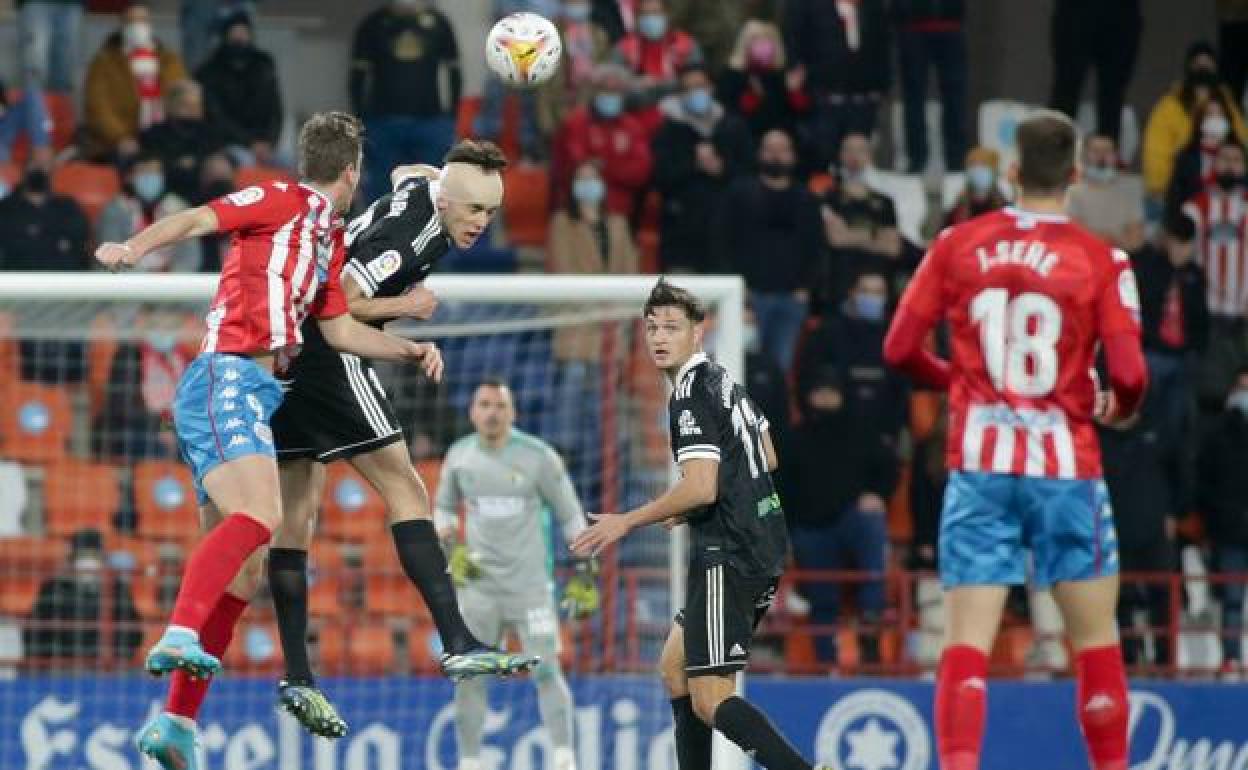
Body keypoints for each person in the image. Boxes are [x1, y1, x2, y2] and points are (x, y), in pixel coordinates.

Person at [95, 111, 445, 770]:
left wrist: (410, 348)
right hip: (224, 376)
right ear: (352, 172)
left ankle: (174, 722)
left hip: (250, 396)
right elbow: (200, 217)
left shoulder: (329, 238)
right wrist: (133, 250)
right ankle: (177, 632)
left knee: (245, 568)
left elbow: (341, 333)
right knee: (263, 516)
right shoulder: (283, 198)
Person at [883, 110, 1147, 770]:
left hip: (981, 467)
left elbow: (897, 349)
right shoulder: (1102, 260)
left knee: (966, 643)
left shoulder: (956, 245)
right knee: (1094, 641)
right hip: (1068, 470)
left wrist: (957, 381)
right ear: (1077, 175)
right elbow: (1133, 374)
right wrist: (1117, 408)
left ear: (1009, 171)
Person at [266, 139, 540, 739]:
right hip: (327, 350)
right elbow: (346, 300)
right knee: (406, 487)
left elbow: (404, 169)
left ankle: (298, 675)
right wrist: (410, 307)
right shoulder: (412, 237)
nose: (479, 225)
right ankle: (458, 640)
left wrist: (436, 173)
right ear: (447, 201)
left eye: (489, 215)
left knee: (296, 517)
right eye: (472, 212)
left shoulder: (425, 188)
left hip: (284, 350)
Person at [572, 279, 829, 770]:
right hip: (761, 541)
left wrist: (628, 520)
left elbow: (703, 485)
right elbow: (766, 456)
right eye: (651, 328)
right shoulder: (723, 381)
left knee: (709, 697)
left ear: (698, 332)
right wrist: (687, 507)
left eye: (671, 327)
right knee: (675, 669)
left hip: (729, 552)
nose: (659, 337)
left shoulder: (689, 394)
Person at [434, 379, 596, 770]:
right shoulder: (459, 457)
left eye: (500, 406)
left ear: (513, 412)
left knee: (546, 670)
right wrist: (450, 547)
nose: (492, 413)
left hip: (530, 590)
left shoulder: (539, 457)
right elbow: (441, 511)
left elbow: (572, 518)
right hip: (477, 590)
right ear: (473, 412)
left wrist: (585, 575)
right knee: (470, 676)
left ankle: (563, 757)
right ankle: (470, 761)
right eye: (484, 405)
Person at [546, 160, 638, 502]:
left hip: (612, 337)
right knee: (571, 420)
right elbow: (564, 274)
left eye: (593, 179)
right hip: (576, 335)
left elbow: (629, 274)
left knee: (607, 426)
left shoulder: (617, 224)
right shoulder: (562, 223)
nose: (588, 185)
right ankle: (572, 494)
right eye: (582, 179)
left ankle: (607, 495)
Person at [713, 127, 823, 370]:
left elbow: (817, 247)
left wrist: (806, 287)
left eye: (782, 150)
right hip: (747, 298)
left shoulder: (806, 199)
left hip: (791, 299)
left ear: (793, 156)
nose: (775, 156)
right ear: (759, 154)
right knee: (738, 368)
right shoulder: (738, 193)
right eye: (769, 149)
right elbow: (722, 242)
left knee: (778, 370)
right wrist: (738, 292)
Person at [350, 0, 462, 201]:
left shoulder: (439, 24)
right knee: (381, 189)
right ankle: (380, 231)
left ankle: (430, 230)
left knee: (432, 189)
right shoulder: (372, 24)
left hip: (431, 121)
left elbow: (454, 73)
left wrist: (451, 118)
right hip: (382, 121)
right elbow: (357, 78)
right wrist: (360, 120)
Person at [651, 63, 752, 273]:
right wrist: (694, 164)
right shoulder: (668, 130)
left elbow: (748, 173)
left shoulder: (732, 126)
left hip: (727, 236)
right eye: (689, 88)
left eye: (701, 86)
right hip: (682, 238)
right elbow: (660, 177)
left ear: (711, 88)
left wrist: (721, 168)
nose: (697, 93)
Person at [783, 0, 892, 171]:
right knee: (824, 151)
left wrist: (881, 86)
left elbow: (882, 46)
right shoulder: (809, 7)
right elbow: (795, 38)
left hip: (863, 96)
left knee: (859, 150)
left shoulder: (872, 7)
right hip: (824, 95)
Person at [1181, 138, 1248, 408]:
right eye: (1224, 159)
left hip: (1242, 318)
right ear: (1213, 164)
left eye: (1236, 160)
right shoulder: (1194, 207)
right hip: (1204, 316)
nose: (1230, 166)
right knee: (1204, 396)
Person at [1143, 41, 1248, 206]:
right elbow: (1156, 150)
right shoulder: (1169, 105)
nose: (1203, 68)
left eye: (1208, 64)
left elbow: (1242, 143)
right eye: (1198, 64)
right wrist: (1160, 187)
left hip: (1227, 188)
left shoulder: (1229, 105)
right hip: (1181, 186)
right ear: (1188, 68)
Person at [82, 2, 188, 162]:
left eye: (142, 21)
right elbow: (97, 108)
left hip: (166, 139)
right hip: (119, 143)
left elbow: (182, 99)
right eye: (131, 21)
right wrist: (121, 138)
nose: (137, 27)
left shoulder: (169, 60)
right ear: (122, 25)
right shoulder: (104, 62)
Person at [25, 529, 144, 663]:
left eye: (93, 556)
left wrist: (113, 657)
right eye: (82, 556)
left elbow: (133, 633)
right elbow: (36, 633)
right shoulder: (52, 588)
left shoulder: (117, 589)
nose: (88, 562)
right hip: (62, 667)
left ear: (101, 559)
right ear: (72, 559)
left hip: (105, 667)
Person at [550, 63, 653, 215]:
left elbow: (641, 170)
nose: (610, 96)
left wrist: (604, 167)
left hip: (621, 210)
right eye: (605, 89)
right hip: (577, 209)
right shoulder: (576, 123)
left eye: (615, 91)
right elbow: (574, 164)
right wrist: (614, 168)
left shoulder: (633, 127)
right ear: (595, 91)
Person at [1198, 368, 1248, 679]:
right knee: (1230, 598)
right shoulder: (1216, 434)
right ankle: (1231, 659)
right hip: (1230, 532)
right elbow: (1206, 484)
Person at [194, 10, 283, 166]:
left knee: (288, 161)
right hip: (228, 143)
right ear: (225, 36)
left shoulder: (264, 66)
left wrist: (269, 142)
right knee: (245, 161)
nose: (239, 37)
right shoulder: (210, 72)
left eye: (243, 32)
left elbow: (275, 111)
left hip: (265, 143)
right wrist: (250, 143)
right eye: (234, 32)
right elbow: (217, 117)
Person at [822, 132, 902, 301]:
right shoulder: (829, 198)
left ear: (869, 156)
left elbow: (892, 247)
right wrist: (876, 235)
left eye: (860, 150)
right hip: (843, 284)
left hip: (879, 284)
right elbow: (837, 239)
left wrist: (851, 235)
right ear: (841, 155)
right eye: (849, 150)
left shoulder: (885, 202)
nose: (854, 156)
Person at [1048, 0, 1141, 145]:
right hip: (1076, 10)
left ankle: (1104, 158)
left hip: (1121, 13)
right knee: (1066, 87)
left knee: (1113, 94)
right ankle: (1054, 148)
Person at [894, 0, 968, 173]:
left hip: (951, 25)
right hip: (913, 26)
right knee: (913, 99)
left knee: (955, 98)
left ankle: (956, 160)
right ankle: (916, 158)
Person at [97, 154, 199, 273]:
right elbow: (109, 255)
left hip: (173, 284)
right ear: (129, 177)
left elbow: (190, 257)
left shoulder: (179, 208)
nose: (150, 176)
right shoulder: (116, 209)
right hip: (127, 282)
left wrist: (173, 280)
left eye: (155, 172)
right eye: (144, 171)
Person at [716, 19, 811, 142]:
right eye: (755, 39)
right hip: (748, 134)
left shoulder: (783, 74)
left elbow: (802, 113)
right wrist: (753, 97)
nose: (762, 44)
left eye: (767, 39)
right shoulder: (732, 75)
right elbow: (729, 110)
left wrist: (794, 92)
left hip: (783, 136)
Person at [139, 80, 229, 205]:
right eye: (186, 106)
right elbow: (153, 165)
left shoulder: (209, 133)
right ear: (170, 105)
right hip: (168, 194)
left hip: (204, 196)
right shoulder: (154, 134)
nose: (192, 111)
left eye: (196, 106)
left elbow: (214, 161)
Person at [0, 160, 90, 271]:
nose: (39, 169)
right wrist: (56, 242)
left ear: (52, 173)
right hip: (17, 279)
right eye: (34, 165)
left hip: (62, 278)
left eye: (43, 165)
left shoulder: (68, 206)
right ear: (23, 173)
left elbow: (80, 245)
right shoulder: (5, 208)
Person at [1066, 134, 1146, 253]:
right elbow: (1074, 233)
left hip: (1123, 255)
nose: (1101, 156)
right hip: (1085, 255)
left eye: (1107, 151)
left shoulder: (1131, 186)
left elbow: (1135, 240)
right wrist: (1110, 239)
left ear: (1116, 155)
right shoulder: (1072, 190)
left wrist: (1109, 240)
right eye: (1096, 151)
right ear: (1085, 155)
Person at [1164, 96, 1238, 217]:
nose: (1215, 119)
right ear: (1201, 121)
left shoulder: (1238, 154)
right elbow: (1175, 199)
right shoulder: (1186, 157)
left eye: (1220, 114)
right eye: (1210, 114)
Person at [15, 0, 86, 94]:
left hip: (72, 4)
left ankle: (59, 107)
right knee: (36, 67)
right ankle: (35, 107)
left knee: (67, 73)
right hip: (35, 3)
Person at [944, 146, 1007, 227]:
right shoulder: (960, 207)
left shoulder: (1003, 205)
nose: (978, 170)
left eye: (983, 166)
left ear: (993, 171)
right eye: (973, 166)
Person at [0, 78, 52, 167]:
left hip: (5, 118)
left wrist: (5, 100)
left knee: (32, 94)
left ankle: (41, 149)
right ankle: (41, 162)